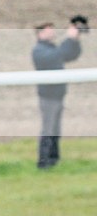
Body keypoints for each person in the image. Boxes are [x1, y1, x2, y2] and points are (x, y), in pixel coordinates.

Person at [31, 21, 83, 170]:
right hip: (48, 97)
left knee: (55, 130)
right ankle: (44, 162)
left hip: (58, 95)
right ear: (40, 33)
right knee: (48, 129)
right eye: (49, 30)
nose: (52, 32)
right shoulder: (39, 50)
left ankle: (53, 159)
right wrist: (69, 38)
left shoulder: (50, 48)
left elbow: (70, 55)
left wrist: (75, 40)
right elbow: (57, 55)